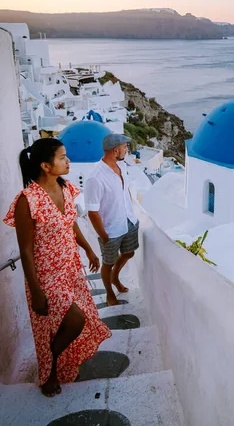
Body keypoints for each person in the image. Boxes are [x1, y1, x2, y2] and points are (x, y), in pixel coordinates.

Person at [4, 138, 111, 397]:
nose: (68, 161)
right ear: (45, 165)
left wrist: (86, 248)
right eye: (62, 157)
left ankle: (55, 365)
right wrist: (36, 291)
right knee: (75, 321)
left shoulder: (66, 188)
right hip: (46, 276)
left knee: (69, 322)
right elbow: (26, 250)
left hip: (70, 268)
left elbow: (69, 222)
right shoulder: (27, 200)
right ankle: (50, 368)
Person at [84, 133, 139, 307]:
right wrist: (104, 236)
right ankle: (109, 294)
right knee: (108, 263)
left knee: (129, 252)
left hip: (128, 220)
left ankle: (115, 277)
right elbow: (92, 212)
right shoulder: (96, 177)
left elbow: (125, 191)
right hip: (110, 229)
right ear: (116, 150)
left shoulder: (120, 166)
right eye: (125, 147)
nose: (127, 150)